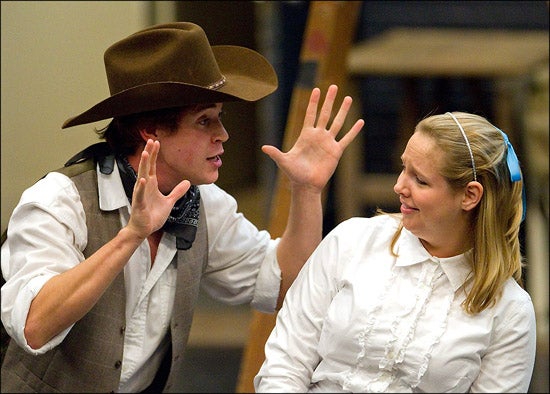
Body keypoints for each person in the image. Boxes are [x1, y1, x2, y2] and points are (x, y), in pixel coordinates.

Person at [0, 22, 364, 393]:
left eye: (219, 117)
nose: (222, 134)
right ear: (151, 130)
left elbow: (286, 284)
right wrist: (132, 235)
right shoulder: (59, 202)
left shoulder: (203, 204)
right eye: (205, 120)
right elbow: (34, 325)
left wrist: (306, 191)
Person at [254, 111, 536, 393]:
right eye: (403, 168)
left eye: (420, 180)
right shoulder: (352, 240)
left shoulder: (510, 309)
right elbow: (285, 364)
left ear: (470, 195)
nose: (399, 186)